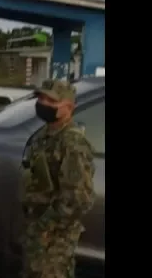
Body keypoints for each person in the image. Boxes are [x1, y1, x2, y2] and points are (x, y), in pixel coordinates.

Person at [21, 79, 95, 278]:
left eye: (51, 101)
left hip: (55, 237)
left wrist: (45, 225)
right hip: (37, 229)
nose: (44, 104)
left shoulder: (73, 143)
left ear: (69, 107)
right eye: (41, 98)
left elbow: (77, 199)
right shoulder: (45, 135)